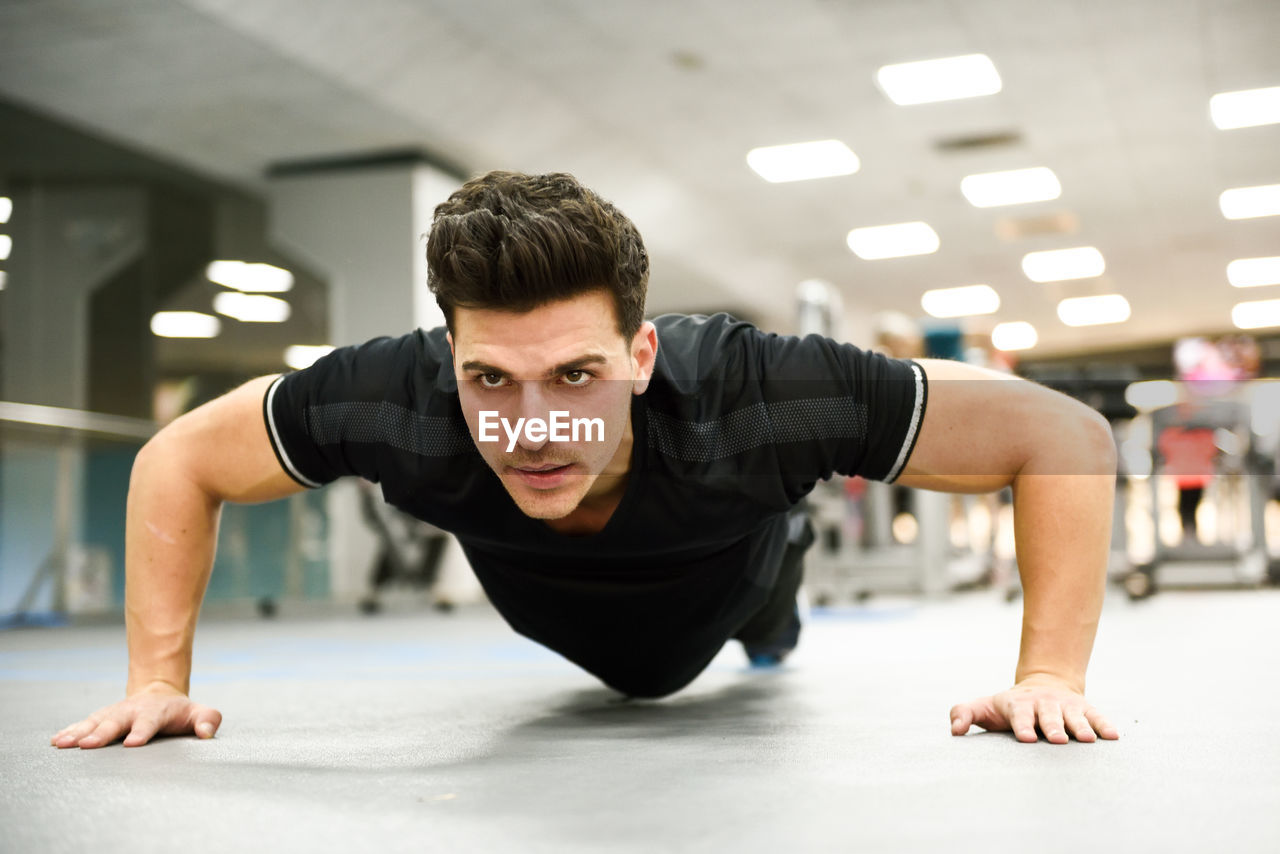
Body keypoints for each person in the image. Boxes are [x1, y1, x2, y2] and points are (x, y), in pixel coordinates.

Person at [51, 171, 1120, 750]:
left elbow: (1059, 434)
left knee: (767, 620)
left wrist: (1046, 676)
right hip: (548, 606)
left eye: (574, 377)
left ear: (640, 353)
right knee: (629, 667)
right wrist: (157, 683)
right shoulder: (390, 394)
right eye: (489, 380)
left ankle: (771, 595)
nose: (531, 426)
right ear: (449, 356)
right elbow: (179, 457)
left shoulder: (759, 389)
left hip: (734, 577)